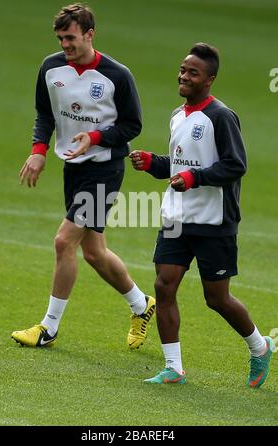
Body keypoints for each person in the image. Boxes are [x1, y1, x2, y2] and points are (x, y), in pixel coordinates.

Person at [11, 3, 155, 350]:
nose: (65, 45)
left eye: (71, 38)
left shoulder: (117, 75)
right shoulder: (51, 68)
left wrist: (93, 137)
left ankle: (49, 328)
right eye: (61, 38)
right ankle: (143, 305)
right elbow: (44, 114)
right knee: (93, 252)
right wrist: (38, 151)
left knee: (64, 241)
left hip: (104, 168)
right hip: (73, 169)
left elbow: (132, 125)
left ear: (90, 34)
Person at [130, 43, 274, 387]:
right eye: (182, 69)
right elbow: (181, 166)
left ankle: (260, 347)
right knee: (164, 287)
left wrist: (193, 179)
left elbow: (234, 165)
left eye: (193, 72)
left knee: (217, 299)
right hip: (177, 217)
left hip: (213, 221)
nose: (183, 76)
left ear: (209, 79)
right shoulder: (178, 116)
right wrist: (153, 163)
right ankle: (173, 368)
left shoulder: (221, 116)